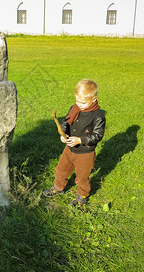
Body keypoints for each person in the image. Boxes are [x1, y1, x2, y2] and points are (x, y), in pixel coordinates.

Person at [43, 79, 106, 208]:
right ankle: (58, 187)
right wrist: (63, 134)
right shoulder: (74, 109)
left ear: (94, 99)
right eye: (77, 101)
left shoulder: (98, 116)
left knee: (82, 177)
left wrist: (80, 140)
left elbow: (98, 135)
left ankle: (82, 196)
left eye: (83, 102)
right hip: (69, 149)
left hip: (85, 153)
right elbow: (66, 122)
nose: (79, 105)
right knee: (61, 170)